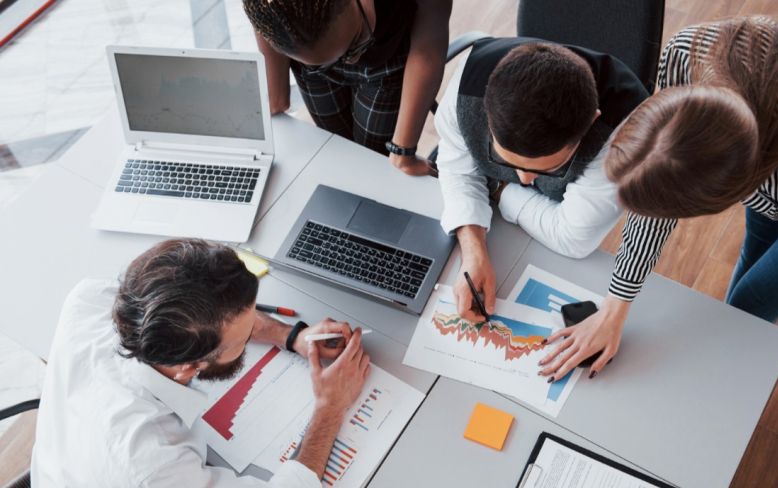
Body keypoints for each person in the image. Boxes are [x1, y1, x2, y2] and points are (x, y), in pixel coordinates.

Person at [539, 17, 778, 382]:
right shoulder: (687, 54)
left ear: (723, 197)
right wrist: (615, 305)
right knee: (757, 246)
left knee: (751, 303)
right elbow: (659, 181)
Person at [31, 239, 371, 488]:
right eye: (242, 340)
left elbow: (201, 304)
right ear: (188, 367)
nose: (255, 327)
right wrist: (329, 408)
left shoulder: (91, 299)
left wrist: (290, 334)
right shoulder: (155, 468)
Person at [435, 38, 648, 321]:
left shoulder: (626, 134)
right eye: (505, 161)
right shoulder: (466, 85)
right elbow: (457, 170)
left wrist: (497, 186)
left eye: (547, 168)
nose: (522, 179)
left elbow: (572, 238)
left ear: (590, 122)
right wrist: (473, 252)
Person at [243, 0, 451, 176]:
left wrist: (402, 152)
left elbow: (427, 50)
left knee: (372, 163)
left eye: (357, 40)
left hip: (386, 60)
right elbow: (265, 16)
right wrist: (274, 94)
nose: (350, 62)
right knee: (342, 155)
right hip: (315, 70)